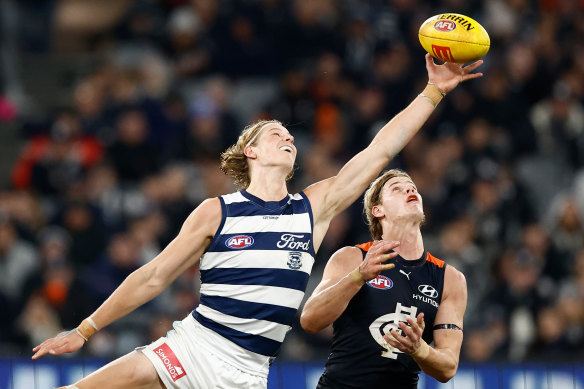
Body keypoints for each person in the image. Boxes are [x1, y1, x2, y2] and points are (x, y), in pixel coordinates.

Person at [31, 54, 482, 389]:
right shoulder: (217, 210)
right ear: (251, 152)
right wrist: (84, 330)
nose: (287, 136)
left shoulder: (313, 208)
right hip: (195, 345)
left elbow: (381, 150)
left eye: (290, 135)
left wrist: (434, 91)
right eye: (274, 133)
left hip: (249, 372)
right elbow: (153, 277)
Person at [301, 169, 467, 388]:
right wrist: (358, 276)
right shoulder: (352, 257)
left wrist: (419, 349)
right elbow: (310, 320)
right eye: (396, 189)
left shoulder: (450, 279)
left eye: (412, 188)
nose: (409, 189)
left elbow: (448, 368)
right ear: (378, 210)